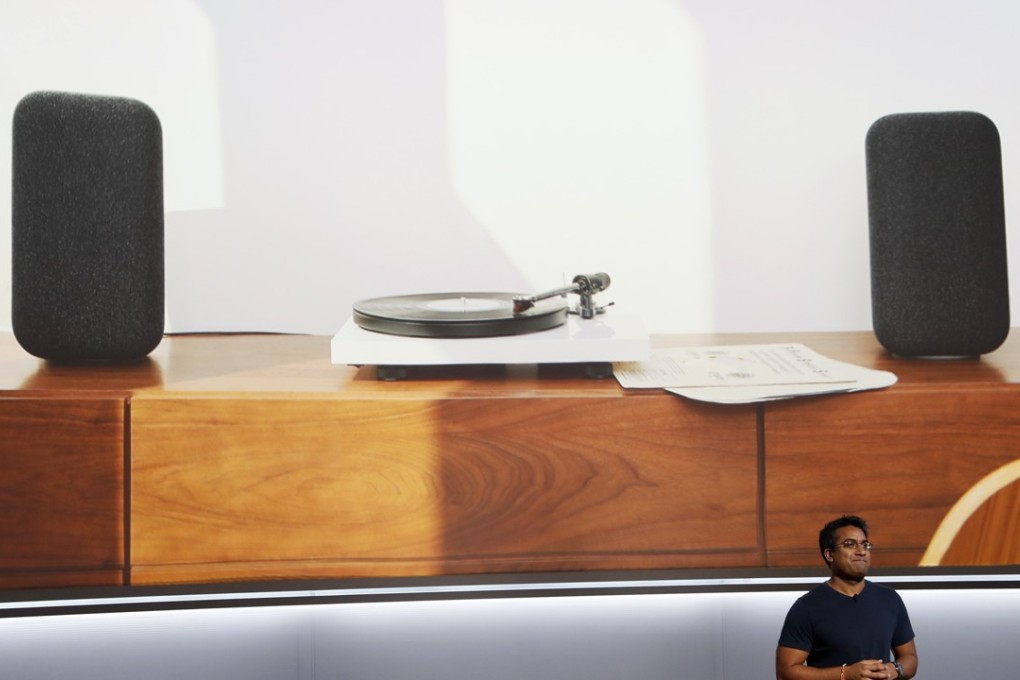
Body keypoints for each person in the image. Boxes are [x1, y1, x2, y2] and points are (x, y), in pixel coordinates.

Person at [776, 515, 918, 680]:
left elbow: (910, 658)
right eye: (850, 544)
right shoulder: (807, 607)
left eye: (865, 544)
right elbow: (785, 673)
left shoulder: (890, 599)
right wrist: (845, 674)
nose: (861, 551)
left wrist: (894, 669)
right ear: (829, 555)